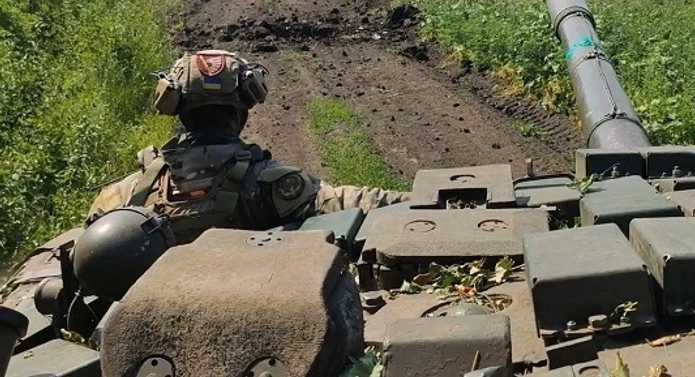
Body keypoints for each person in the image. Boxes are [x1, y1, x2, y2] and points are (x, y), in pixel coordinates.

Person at [2, 49, 409, 308]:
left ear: (176, 108)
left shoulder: (125, 194)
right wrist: (426, 199)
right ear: (243, 108)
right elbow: (351, 203)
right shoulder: (272, 184)